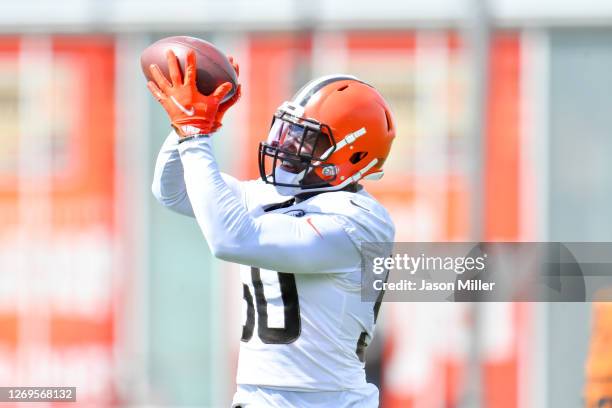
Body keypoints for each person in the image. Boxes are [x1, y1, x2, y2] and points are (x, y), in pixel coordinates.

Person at [147, 48, 396, 407]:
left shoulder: (358, 221)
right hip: (257, 399)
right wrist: (194, 126)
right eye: (288, 132)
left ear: (353, 154)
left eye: (307, 139)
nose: (287, 145)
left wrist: (194, 135)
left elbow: (230, 240)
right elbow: (171, 191)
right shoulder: (273, 195)